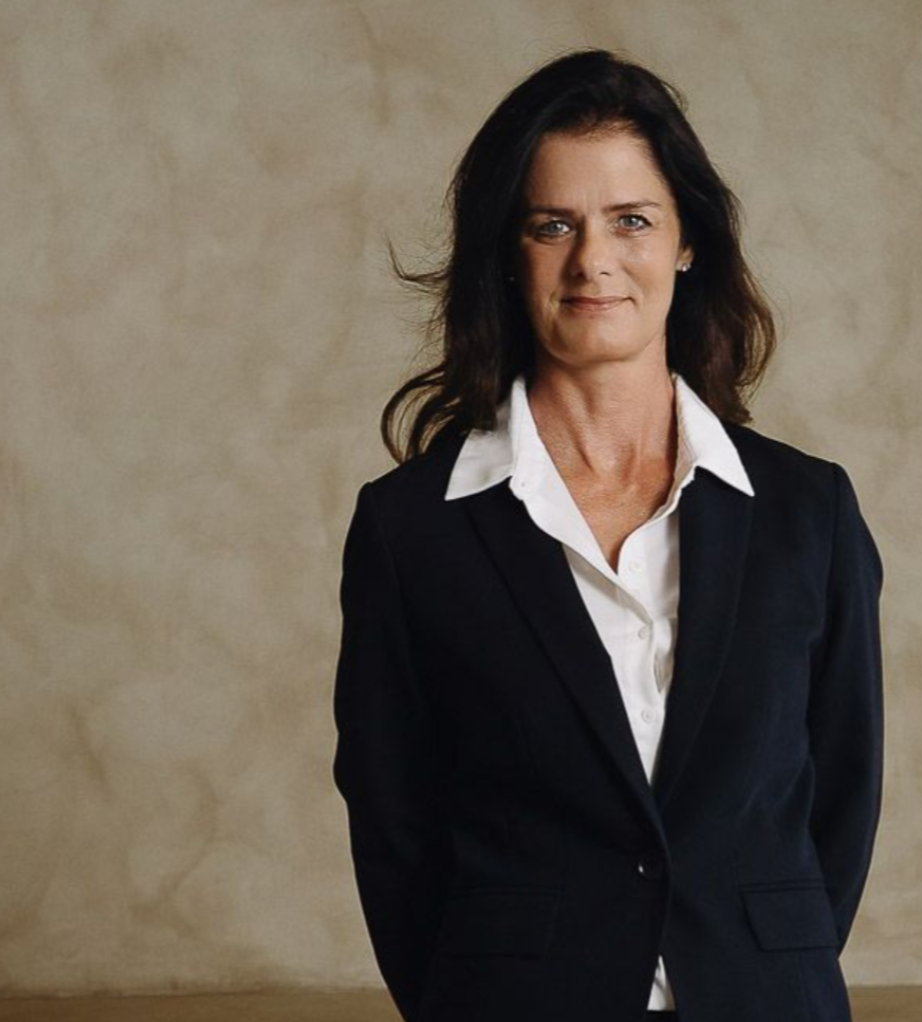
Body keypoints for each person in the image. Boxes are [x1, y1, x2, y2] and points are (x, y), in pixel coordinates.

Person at [332, 47, 884, 1022]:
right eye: (552, 224)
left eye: (631, 219)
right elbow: (394, 825)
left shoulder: (808, 512)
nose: (593, 260)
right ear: (509, 252)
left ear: (686, 242)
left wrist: (762, 963)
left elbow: (841, 791)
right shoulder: (411, 529)